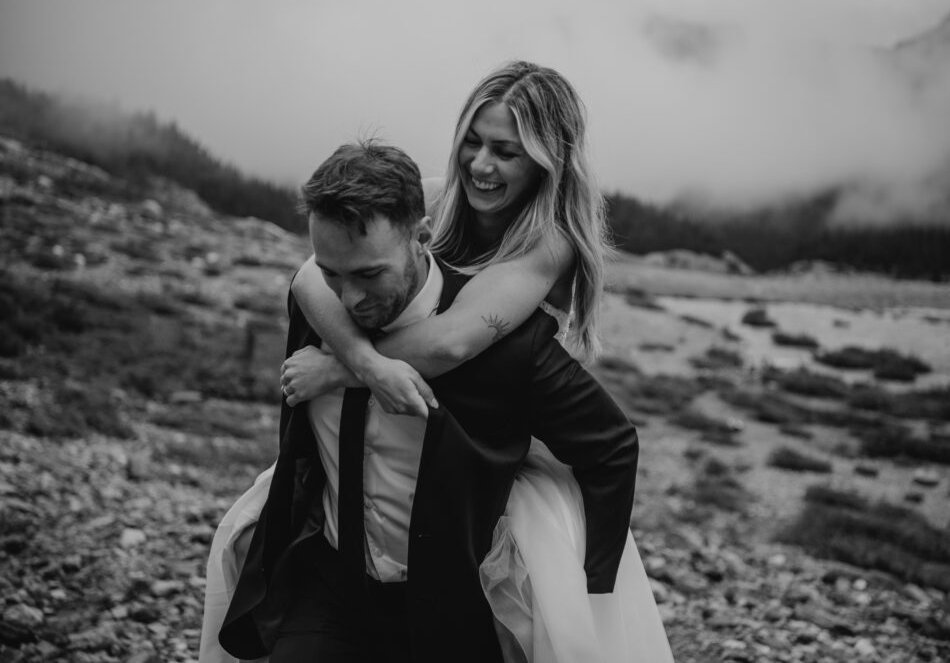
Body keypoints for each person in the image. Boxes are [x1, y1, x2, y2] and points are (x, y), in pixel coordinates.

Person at [200, 61, 672, 662]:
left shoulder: (546, 245)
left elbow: (452, 345)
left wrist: (342, 370)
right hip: (358, 533)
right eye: (472, 142)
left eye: (506, 151)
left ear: (549, 161)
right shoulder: (435, 199)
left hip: (492, 451)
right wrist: (365, 359)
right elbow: (308, 277)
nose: (481, 164)